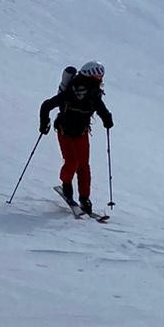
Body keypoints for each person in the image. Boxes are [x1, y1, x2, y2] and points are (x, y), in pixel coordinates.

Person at [39, 60, 113, 215]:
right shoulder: (75, 92)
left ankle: (85, 199)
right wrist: (44, 123)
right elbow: (47, 105)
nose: (101, 78)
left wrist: (107, 118)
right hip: (65, 132)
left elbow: (46, 106)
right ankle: (67, 188)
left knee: (83, 166)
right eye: (99, 75)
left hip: (80, 133)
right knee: (74, 162)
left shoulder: (92, 93)